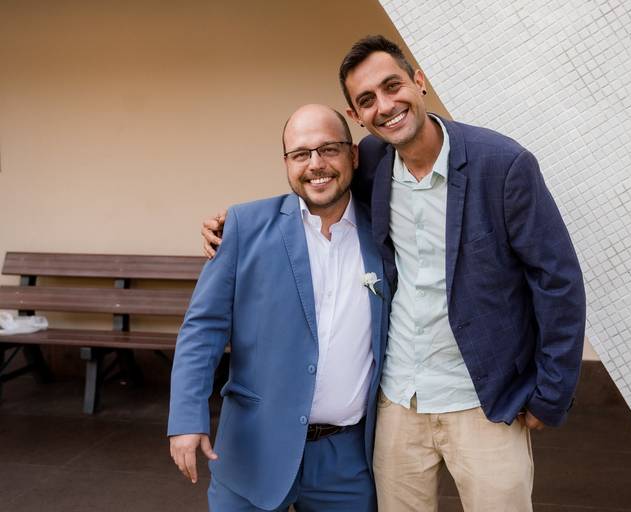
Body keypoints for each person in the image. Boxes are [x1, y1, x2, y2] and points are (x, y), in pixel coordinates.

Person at [202, 36, 586, 512]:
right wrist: (235, 225)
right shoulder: (372, 163)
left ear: (418, 82)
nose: (384, 106)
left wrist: (552, 393)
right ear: (357, 115)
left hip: (485, 402)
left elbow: (558, 281)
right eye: (367, 100)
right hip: (398, 401)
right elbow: (318, 181)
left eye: (392, 86)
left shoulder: (502, 165)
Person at [170, 104, 388, 512]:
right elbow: (202, 330)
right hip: (252, 448)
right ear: (287, 163)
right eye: (300, 154)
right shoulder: (243, 226)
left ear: (354, 155)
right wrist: (186, 418)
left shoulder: (385, 234)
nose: (316, 164)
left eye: (329, 149)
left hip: (346, 461)